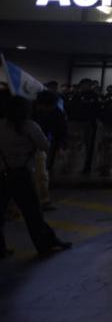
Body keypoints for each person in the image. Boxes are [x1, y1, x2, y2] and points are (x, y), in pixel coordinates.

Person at [0, 92, 72, 257]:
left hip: (2, 173)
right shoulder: (30, 126)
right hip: (21, 174)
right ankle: (44, 244)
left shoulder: (1, 125)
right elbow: (45, 145)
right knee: (32, 213)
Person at [32, 90, 66, 210]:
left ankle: (43, 200)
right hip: (26, 146)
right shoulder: (30, 110)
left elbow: (62, 130)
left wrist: (60, 147)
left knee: (42, 174)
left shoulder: (56, 112)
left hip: (41, 145)